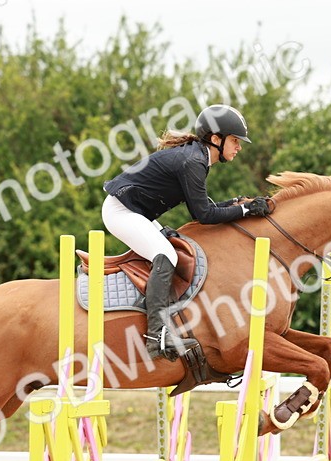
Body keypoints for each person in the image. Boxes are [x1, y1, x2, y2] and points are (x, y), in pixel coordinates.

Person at [102, 104, 273, 360]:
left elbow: (202, 209)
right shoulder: (193, 161)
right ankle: (155, 335)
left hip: (135, 213)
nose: (239, 147)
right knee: (166, 255)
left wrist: (236, 204)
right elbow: (204, 216)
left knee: (172, 245)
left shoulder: (197, 158)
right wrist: (246, 211)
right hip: (121, 212)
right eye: (235, 141)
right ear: (216, 139)